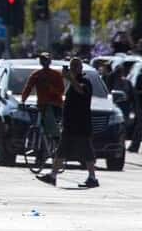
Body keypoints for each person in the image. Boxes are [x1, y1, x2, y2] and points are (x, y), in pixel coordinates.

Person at [37, 57, 99, 189]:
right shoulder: (72, 83)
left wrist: (71, 79)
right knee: (61, 150)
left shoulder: (85, 81)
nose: (74, 69)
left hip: (81, 124)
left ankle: (92, 177)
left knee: (87, 152)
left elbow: (82, 91)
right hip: (70, 124)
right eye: (72, 67)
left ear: (81, 68)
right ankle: (53, 175)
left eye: (76, 66)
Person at [20, 53, 66, 154]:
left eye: (46, 60)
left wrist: (51, 88)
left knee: (51, 126)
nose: (44, 62)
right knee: (36, 125)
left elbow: (61, 91)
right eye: (42, 60)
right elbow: (28, 88)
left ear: (50, 61)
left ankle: (57, 142)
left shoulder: (56, 74)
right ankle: (36, 147)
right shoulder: (36, 74)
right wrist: (23, 100)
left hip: (55, 105)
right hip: (42, 105)